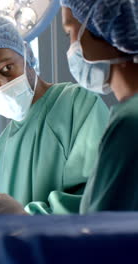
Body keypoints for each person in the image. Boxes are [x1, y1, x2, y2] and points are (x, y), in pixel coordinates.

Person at [0, 16, 109, 215]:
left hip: (77, 245)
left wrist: (25, 217)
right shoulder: (1, 147)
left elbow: (99, 195)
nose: (1, 84)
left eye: (7, 68)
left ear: (27, 56)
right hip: (25, 247)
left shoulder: (76, 103)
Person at [61, 0, 138, 213]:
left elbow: (101, 235)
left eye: (69, 34)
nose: (70, 48)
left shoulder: (130, 123)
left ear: (97, 28)